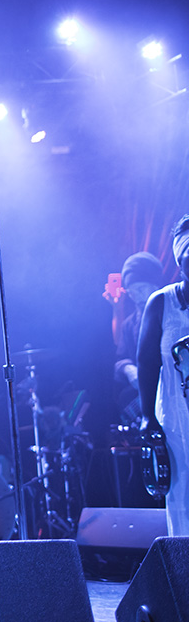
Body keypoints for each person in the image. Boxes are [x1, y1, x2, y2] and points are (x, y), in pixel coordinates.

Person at [137, 214, 189, 536]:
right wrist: (146, 417)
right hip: (175, 420)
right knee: (183, 498)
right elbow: (146, 362)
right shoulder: (162, 303)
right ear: (179, 261)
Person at [112, 252, 165, 424]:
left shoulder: (175, 313)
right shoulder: (129, 324)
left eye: (141, 289)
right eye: (131, 292)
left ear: (156, 286)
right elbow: (120, 359)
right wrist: (128, 369)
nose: (137, 297)